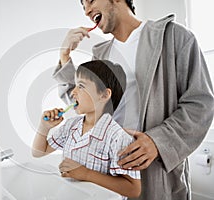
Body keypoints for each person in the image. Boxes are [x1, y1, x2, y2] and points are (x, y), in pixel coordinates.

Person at [52, 0, 214, 199]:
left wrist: (158, 141)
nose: (86, 11)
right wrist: (64, 55)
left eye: (91, 1)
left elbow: (200, 104)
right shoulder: (100, 57)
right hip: (109, 177)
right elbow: (83, 105)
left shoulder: (175, 37)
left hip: (156, 177)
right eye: (83, 6)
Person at [32, 60, 141, 199]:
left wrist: (86, 174)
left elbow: (133, 189)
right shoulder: (71, 126)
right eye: (75, 85)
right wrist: (44, 127)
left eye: (81, 86)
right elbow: (38, 152)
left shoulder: (118, 138)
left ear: (104, 95)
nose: (73, 92)